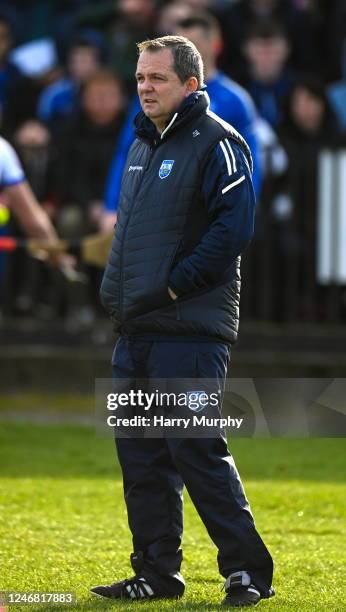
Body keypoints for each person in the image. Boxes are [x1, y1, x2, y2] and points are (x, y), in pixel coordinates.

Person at [93, 35, 274, 607]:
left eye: (158, 79)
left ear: (191, 85)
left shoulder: (220, 142)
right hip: (139, 329)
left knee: (196, 448)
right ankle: (156, 572)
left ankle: (247, 573)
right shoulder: (143, 144)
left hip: (190, 331)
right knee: (140, 454)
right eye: (141, 78)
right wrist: (119, 296)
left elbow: (234, 230)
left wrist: (174, 285)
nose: (145, 87)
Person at [100, 11, 262, 233]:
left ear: (214, 45)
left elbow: (250, 160)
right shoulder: (154, 94)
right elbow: (127, 150)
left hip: (210, 212)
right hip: (155, 212)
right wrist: (112, 205)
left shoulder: (236, 101)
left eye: (191, 44)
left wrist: (241, 210)